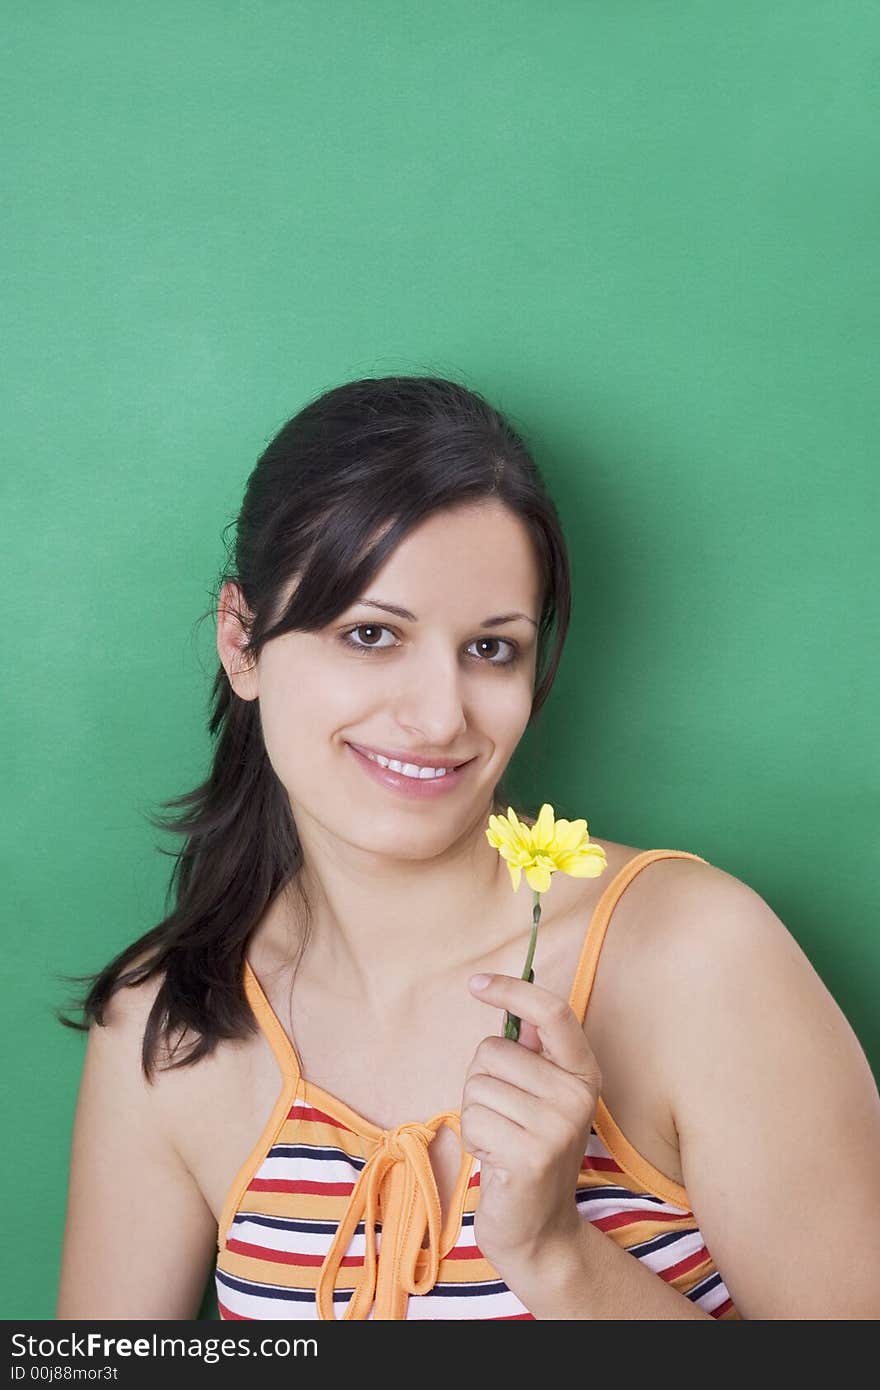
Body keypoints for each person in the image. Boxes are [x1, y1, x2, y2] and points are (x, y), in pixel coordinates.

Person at [56, 375, 880, 1321]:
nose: (440, 716)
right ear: (241, 643)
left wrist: (556, 1255)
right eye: (371, 634)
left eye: (491, 649)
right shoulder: (168, 1024)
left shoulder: (699, 958)